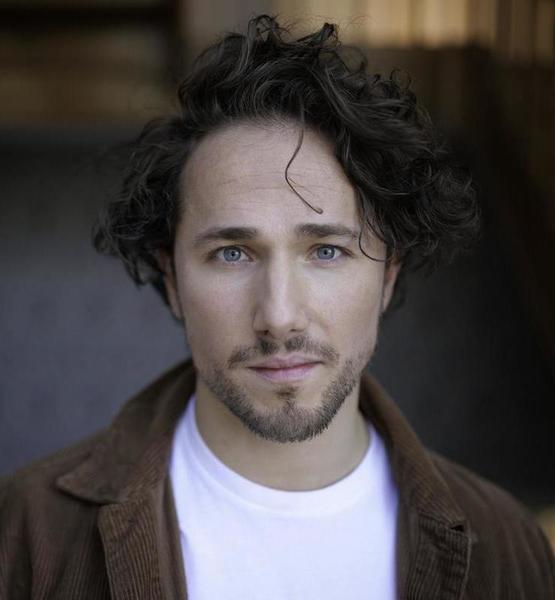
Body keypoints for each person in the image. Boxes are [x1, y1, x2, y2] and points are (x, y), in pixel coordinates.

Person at [1, 14, 553, 600]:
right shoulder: (29, 533)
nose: (280, 315)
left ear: (388, 276)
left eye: (326, 251)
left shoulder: (506, 545)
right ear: (172, 278)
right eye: (233, 253)